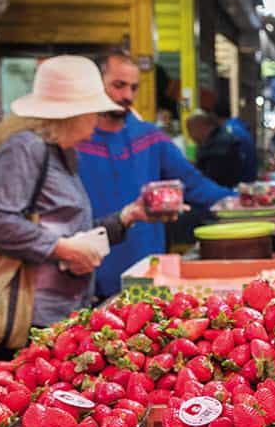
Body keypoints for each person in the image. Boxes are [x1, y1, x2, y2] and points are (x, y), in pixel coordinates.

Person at [0, 55, 151, 330]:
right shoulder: (25, 148)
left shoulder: (62, 154)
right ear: (72, 114)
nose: (96, 120)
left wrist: (127, 217)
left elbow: (67, 228)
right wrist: (62, 249)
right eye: (93, 111)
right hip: (30, 317)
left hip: (63, 312)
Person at [78, 52, 235, 299]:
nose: (127, 96)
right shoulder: (75, 142)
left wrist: (240, 200)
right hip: (87, 279)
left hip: (146, 278)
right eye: (118, 86)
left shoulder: (150, 138)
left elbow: (195, 185)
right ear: (96, 85)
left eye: (133, 87)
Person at [185, 110, 246, 189]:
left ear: (199, 126)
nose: (190, 136)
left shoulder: (218, 146)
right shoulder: (216, 140)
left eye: (190, 130)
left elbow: (211, 180)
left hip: (221, 195)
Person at [216, 97, 258, 182]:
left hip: (241, 182)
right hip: (249, 178)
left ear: (214, 117)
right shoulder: (239, 126)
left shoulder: (228, 132)